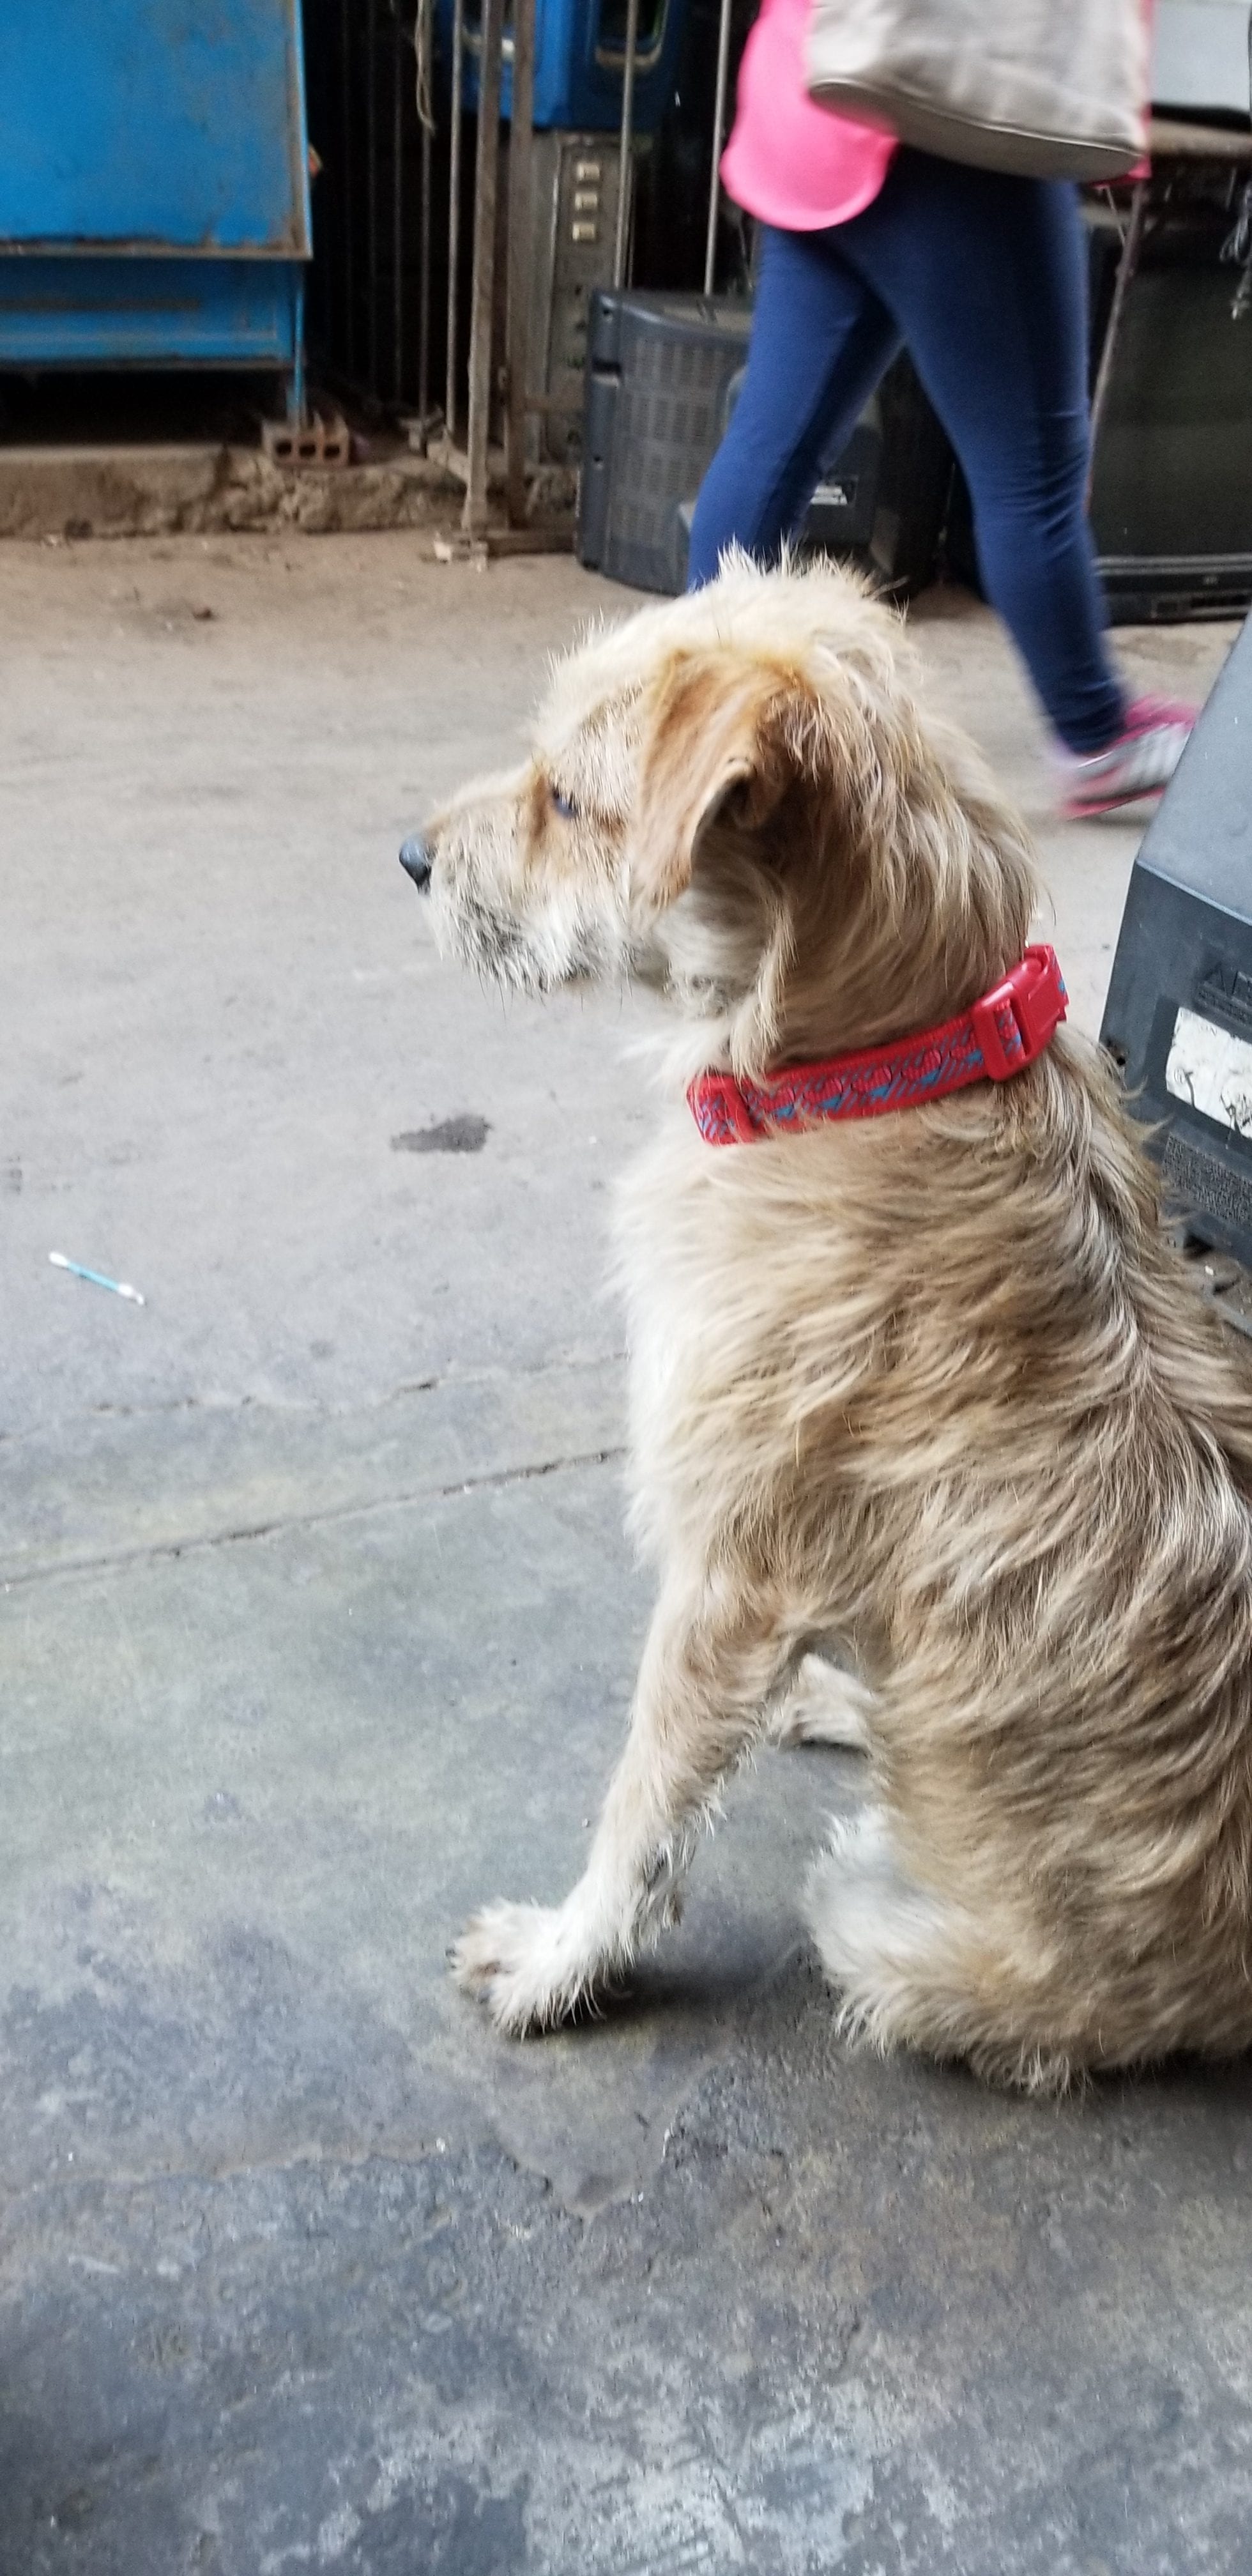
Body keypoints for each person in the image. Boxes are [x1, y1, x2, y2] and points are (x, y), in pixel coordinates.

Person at [687, 0, 1193, 818]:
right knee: (1032, 477)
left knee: (775, 448)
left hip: (820, 88)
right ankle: (1096, 731)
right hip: (948, 120)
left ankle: (696, 723)